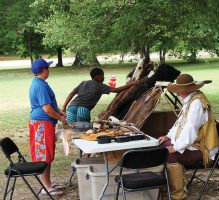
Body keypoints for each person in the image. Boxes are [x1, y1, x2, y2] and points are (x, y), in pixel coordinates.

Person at [158, 74, 219, 200]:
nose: (178, 94)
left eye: (179, 91)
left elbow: (190, 129)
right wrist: (168, 136)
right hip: (192, 143)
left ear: (183, 90)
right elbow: (179, 124)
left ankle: (177, 195)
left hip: (202, 148)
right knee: (161, 146)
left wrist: (176, 147)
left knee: (170, 154)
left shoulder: (197, 103)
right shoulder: (191, 100)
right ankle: (168, 187)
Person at [29, 58, 66, 196]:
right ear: (43, 70)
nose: (49, 70)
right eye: (47, 68)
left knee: (48, 154)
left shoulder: (40, 83)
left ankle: (48, 183)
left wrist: (59, 112)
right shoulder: (40, 85)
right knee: (43, 155)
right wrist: (61, 118)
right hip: (41, 124)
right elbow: (47, 109)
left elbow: (51, 106)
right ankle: (45, 187)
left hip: (45, 123)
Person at [62, 67, 139, 123]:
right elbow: (116, 90)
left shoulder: (83, 83)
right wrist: (131, 84)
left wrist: (64, 106)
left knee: (71, 130)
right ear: (97, 76)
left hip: (71, 108)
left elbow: (71, 93)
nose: (104, 77)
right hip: (83, 110)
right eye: (102, 75)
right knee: (82, 131)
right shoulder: (100, 86)